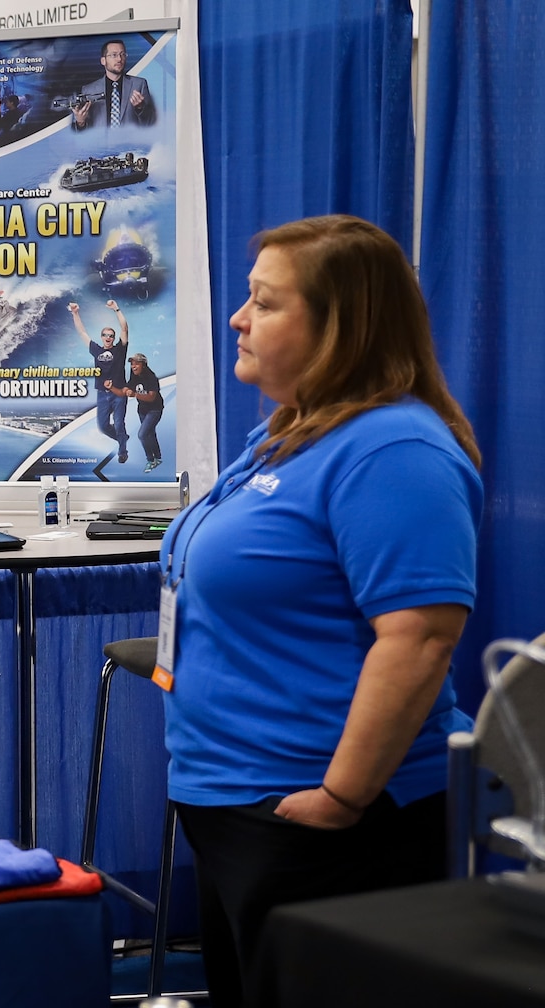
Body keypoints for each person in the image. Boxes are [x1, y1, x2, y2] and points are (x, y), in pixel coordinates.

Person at [159, 215, 481, 1007]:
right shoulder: (289, 434)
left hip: (321, 820)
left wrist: (339, 798)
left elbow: (420, 640)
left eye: (265, 304)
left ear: (341, 327)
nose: (239, 318)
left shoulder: (392, 450)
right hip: (234, 801)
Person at [71, 299, 131, 462]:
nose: (108, 337)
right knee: (103, 427)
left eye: (111, 336)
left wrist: (116, 309)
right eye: (105, 335)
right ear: (101, 337)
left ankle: (122, 451)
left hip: (118, 394)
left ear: (113, 338)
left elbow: (124, 328)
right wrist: (75, 313)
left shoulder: (120, 349)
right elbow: (82, 332)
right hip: (103, 395)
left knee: (119, 424)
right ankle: (122, 439)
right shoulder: (96, 349)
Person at [71, 38, 156, 130]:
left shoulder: (139, 85)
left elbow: (150, 123)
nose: (119, 59)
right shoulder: (88, 90)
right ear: (103, 61)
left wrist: (140, 108)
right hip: (100, 143)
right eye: (114, 55)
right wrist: (80, 122)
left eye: (122, 54)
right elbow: (82, 134)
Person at [120, 351, 165, 471]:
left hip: (155, 409)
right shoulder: (134, 375)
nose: (133, 366)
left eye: (136, 364)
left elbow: (151, 397)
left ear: (143, 365)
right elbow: (129, 385)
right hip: (142, 410)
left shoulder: (151, 377)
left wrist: (135, 394)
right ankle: (158, 458)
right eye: (132, 364)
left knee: (142, 434)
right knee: (150, 434)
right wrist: (125, 389)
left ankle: (150, 460)